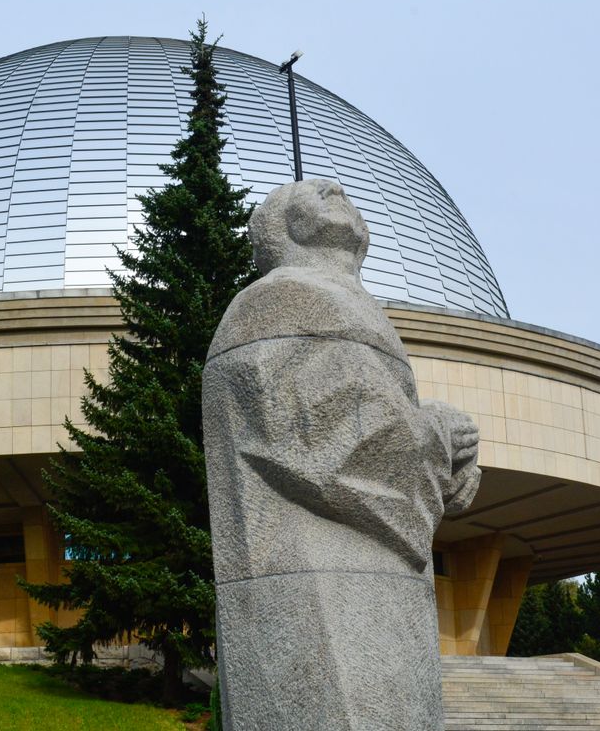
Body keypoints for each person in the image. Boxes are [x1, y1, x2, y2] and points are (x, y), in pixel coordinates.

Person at [203, 178, 480, 730]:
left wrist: (450, 459)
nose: (332, 187)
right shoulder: (277, 300)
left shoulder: (348, 306)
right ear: (279, 230)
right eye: (308, 194)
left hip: (376, 576)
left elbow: (372, 420)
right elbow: (319, 436)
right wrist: (436, 436)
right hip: (315, 577)